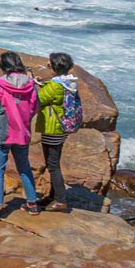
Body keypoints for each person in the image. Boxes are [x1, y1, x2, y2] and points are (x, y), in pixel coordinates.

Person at [0, 50, 41, 218]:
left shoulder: (0, 84)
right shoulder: (30, 85)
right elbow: (35, 106)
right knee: (24, 167)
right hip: (22, 133)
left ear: (4, 66)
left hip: (1, 133)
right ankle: (32, 203)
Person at [34, 52, 81, 211]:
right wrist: (42, 84)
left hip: (52, 127)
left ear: (55, 67)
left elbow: (38, 100)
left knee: (52, 165)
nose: (48, 66)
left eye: (50, 64)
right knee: (53, 163)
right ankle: (54, 196)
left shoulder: (55, 85)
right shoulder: (69, 81)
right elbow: (54, 93)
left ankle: (60, 200)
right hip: (62, 127)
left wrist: (31, 86)